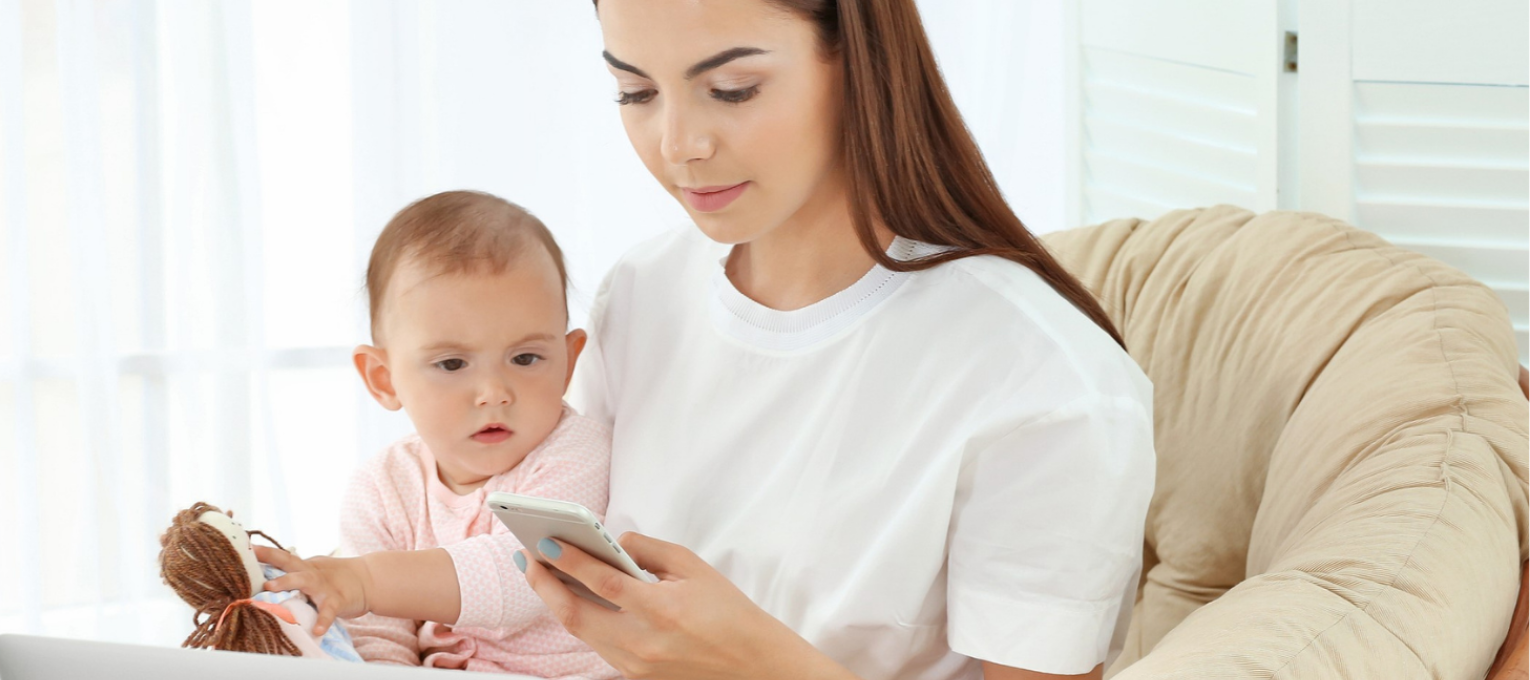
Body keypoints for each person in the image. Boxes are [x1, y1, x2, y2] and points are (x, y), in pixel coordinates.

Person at [513, 1, 1156, 679]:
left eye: (732, 90)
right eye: (635, 92)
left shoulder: (1044, 381)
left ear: (859, 62)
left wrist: (759, 665)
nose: (678, 144)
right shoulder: (644, 291)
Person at [256, 190, 620, 679]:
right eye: (452, 363)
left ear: (569, 360)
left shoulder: (576, 454)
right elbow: (377, 635)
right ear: (384, 379)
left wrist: (362, 578)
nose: (494, 392)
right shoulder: (382, 488)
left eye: (526, 358)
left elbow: (518, 576)